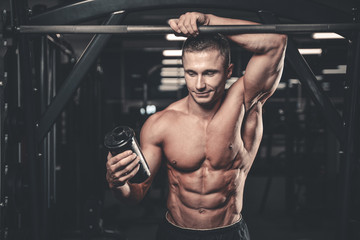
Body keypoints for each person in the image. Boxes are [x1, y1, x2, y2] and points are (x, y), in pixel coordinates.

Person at [106, 12, 287, 240]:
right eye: (191, 73)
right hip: (176, 233)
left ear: (228, 71)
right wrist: (117, 183)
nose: (199, 84)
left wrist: (209, 22)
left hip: (228, 233)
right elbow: (135, 194)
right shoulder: (160, 124)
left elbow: (276, 42)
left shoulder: (245, 102)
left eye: (209, 73)